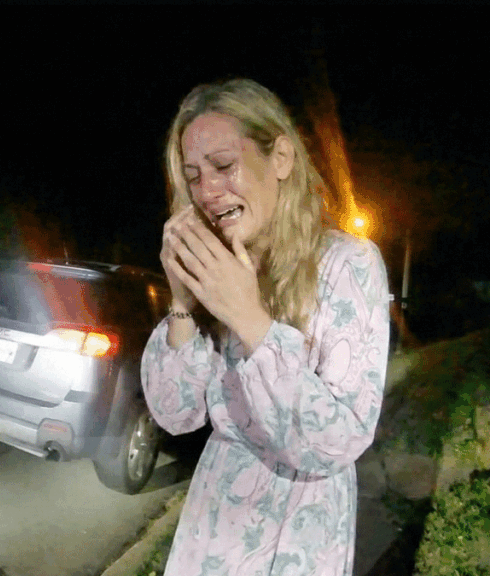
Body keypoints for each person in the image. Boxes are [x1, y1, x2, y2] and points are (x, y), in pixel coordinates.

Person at [141, 78, 390, 575]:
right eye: (192, 176)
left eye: (223, 166)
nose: (207, 191)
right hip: (216, 519)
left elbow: (339, 439)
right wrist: (184, 301)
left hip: (300, 523)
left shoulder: (347, 264)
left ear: (280, 158)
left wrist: (251, 319)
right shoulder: (222, 268)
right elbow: (178, 414)